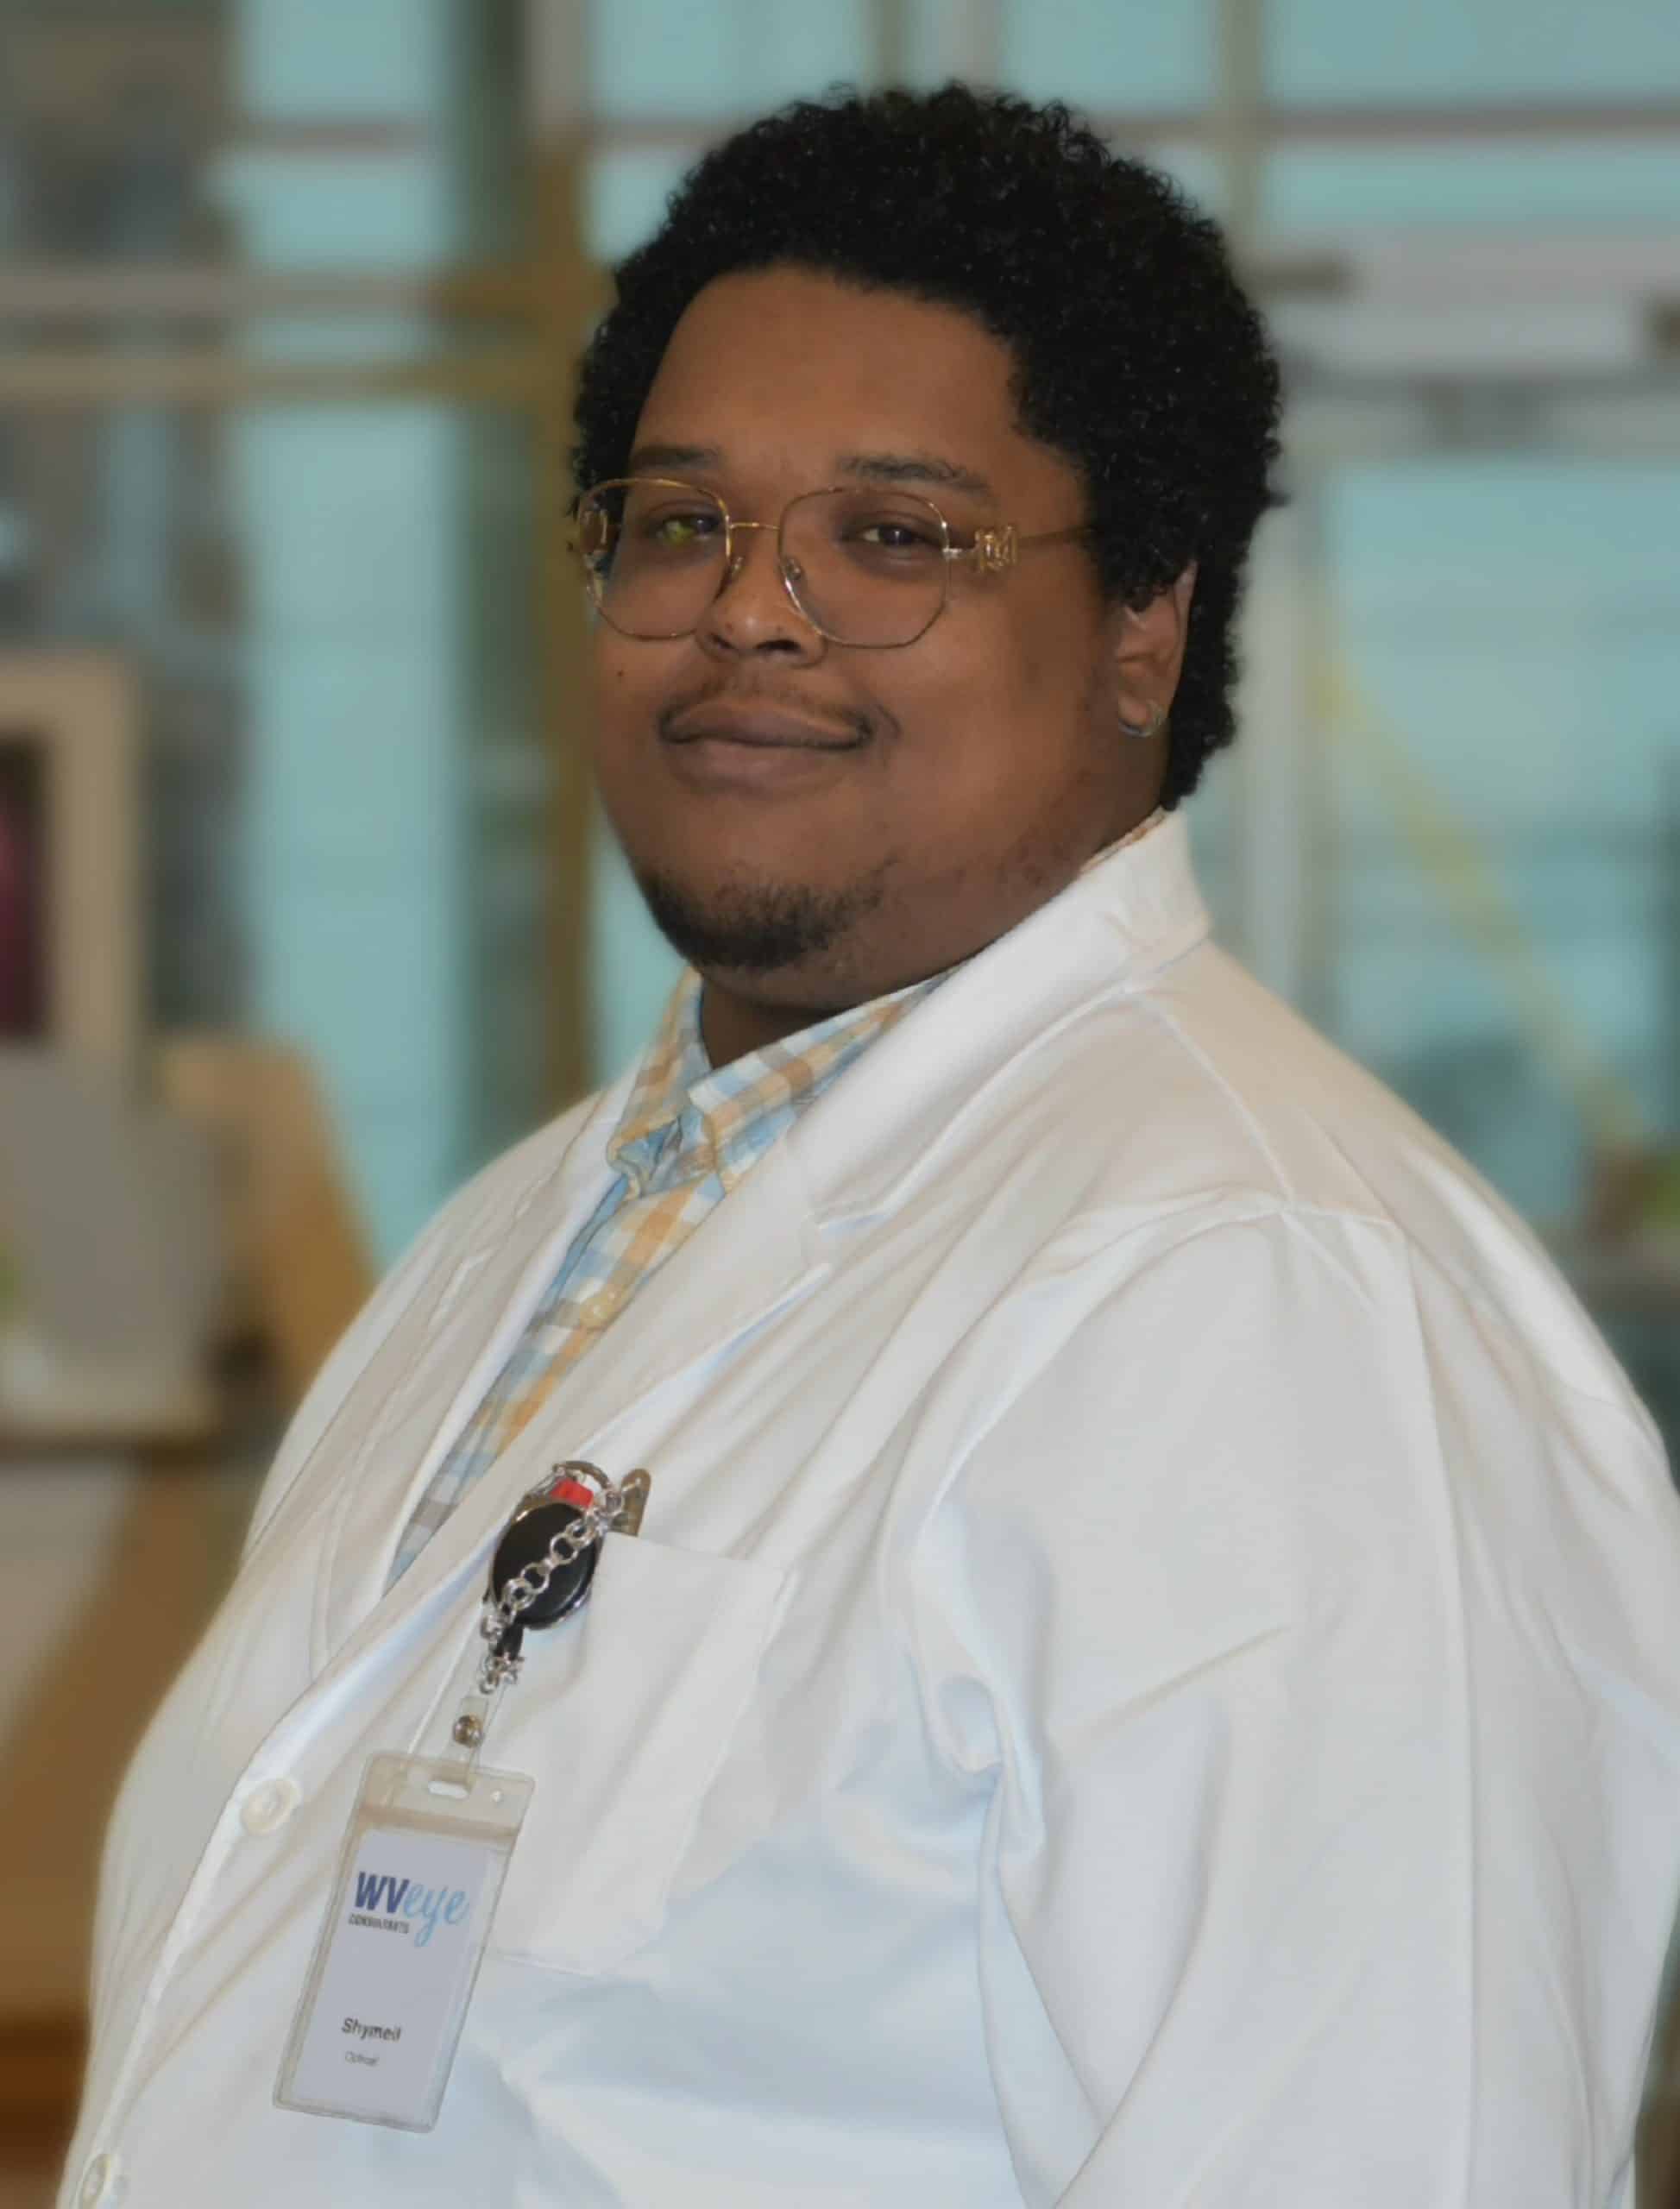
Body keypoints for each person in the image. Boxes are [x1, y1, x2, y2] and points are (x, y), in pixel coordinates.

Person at [64, 86, 1680, 2209]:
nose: (752, 611)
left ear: (1143, 623)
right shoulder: (516, 1244)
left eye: (897, 538)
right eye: (678, 522)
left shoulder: (1262, 1298)